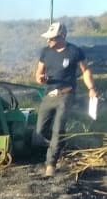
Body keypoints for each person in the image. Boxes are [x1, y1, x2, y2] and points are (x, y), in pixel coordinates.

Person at [34, 21, 98, 177]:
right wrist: (40, 79)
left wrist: (91, 89)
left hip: (66, 95)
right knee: (40, 131)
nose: (48, 40)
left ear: (62, 36)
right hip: (49, 95)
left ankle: (51, 164)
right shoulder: (45, 52)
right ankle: (60, 146)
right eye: (48, 38)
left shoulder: (74, 52)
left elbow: (85, 70)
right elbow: (38, 73)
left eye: (52, 38)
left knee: (58, 128)